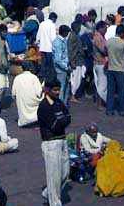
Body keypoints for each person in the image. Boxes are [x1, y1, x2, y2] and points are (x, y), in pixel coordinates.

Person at [37, 78, 71, 206]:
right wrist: (62, 120)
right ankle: (55, 202)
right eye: (55, 90)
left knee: (65, 174)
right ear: (47, 90)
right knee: (54, 176)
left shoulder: (59, 103)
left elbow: (68, 117)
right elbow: (56, 125)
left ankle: (48, 193)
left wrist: (61, 120)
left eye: (58, 89)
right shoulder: (44, 107)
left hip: (62, 140)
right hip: (51, 143)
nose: (57, 92)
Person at [105, 24, 124, 116]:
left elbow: (105, 51)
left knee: (110, 91)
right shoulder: (123, 43)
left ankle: (109, 109)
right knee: (121, 91)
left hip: (110, 69)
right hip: (121, 69)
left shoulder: (109, 41)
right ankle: (122, 110)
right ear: (122, 33)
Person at [11, 62, 43, 128]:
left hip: (23, 107)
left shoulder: (17, 78)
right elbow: (39, 93)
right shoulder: (34, 77)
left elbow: (13, 94)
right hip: (34, 104)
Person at [52, 24, 71, 104]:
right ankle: (60, 106)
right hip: (60, 69)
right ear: (64, 32)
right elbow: (58, 60)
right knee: (61, 89)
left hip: (65, 68)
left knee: (66, 88)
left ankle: (64, 105)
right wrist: (66, 68)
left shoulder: (64, 40)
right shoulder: (58, 42)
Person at [91, 22, 108, 105]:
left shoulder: (100, 37)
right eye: (105, 28)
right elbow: (103, 51)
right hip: (100, 63)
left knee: (100, 84)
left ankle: (100, 102)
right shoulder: (98, 38)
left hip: (100, 62)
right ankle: (100, 103)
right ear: (101, 28)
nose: (106, 30)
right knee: (102, 85)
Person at [36, 12, 58, 78]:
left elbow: (38, 37)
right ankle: (49, 80)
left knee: (43, 65)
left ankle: (43, 79)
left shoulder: (42, 24)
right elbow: (53, 38)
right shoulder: (52, 25)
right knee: (50, 66)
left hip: (42, 48)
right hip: (50, 49)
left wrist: (39, 44)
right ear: (53, 18)